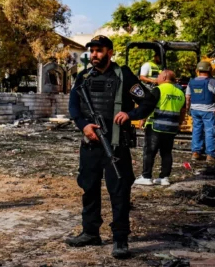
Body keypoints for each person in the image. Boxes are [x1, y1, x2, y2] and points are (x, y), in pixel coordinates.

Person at [67, 35, 157, 259]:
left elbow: (147, 101)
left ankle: (120, 239)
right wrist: (83, 125)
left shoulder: (124, 75)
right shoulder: (83, 76)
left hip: (116, 145)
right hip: (90, 145)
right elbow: (74, 105)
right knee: (89, 188)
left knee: (119, 192)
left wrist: (131, 114)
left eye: (99, 50)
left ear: (110, 52)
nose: (94, 55)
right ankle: (90, 232)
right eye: (92, 51)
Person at [134, 70, 186, 187]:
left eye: (159, 75)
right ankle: (164, 178)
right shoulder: (180, 92)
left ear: (165, 77)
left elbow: (148, 106)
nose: (157, 78)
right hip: (171, 127)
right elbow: (183, 110)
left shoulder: (158, 90)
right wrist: (179, 124)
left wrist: (142, 119)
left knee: (149, 151)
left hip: (155, 126)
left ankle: (146, 176)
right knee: (166, 152)